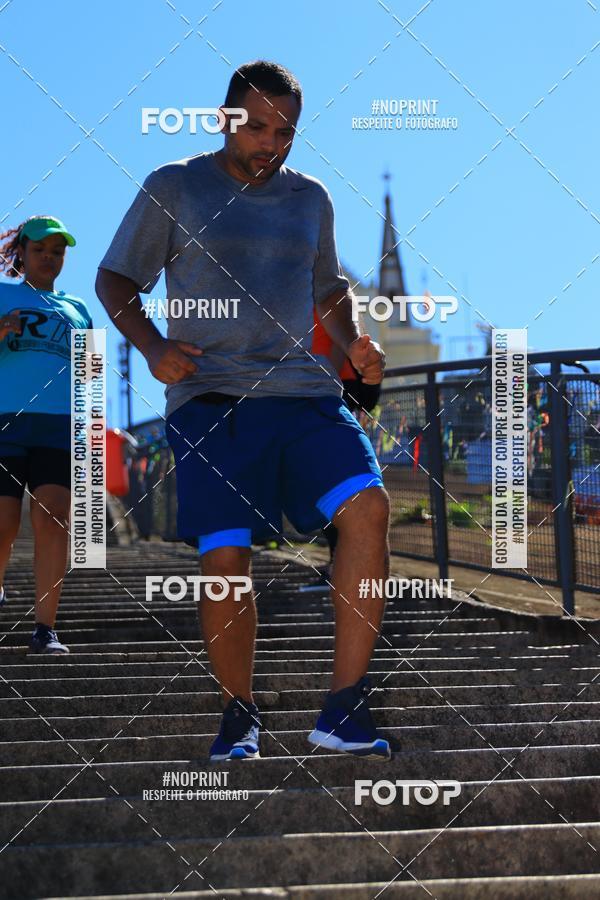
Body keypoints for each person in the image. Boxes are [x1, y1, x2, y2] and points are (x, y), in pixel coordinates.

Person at [96, 60, 392, 761]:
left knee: (370, 508)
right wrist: (152, 346)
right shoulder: (175, 186)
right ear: (225, 118)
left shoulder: (310, 198)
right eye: (256, 127)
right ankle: (240, 715)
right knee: (226, 555)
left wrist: (352, 344)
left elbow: (330, 290)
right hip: (210, 398)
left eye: (285, 130)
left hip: (303, 393)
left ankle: (342, 713)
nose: (271, 143)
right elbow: (114, 277)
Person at [0, 215, 93, 653]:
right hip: (5, 421)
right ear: (21, 252)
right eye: (40, 250)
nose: (50, 258)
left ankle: (45, 628)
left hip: (58, 425)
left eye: (57, 252)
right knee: (3, 522)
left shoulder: (78, 309)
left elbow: (90, 375)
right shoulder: (3, 294)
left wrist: (92, 431)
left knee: (54, 517)